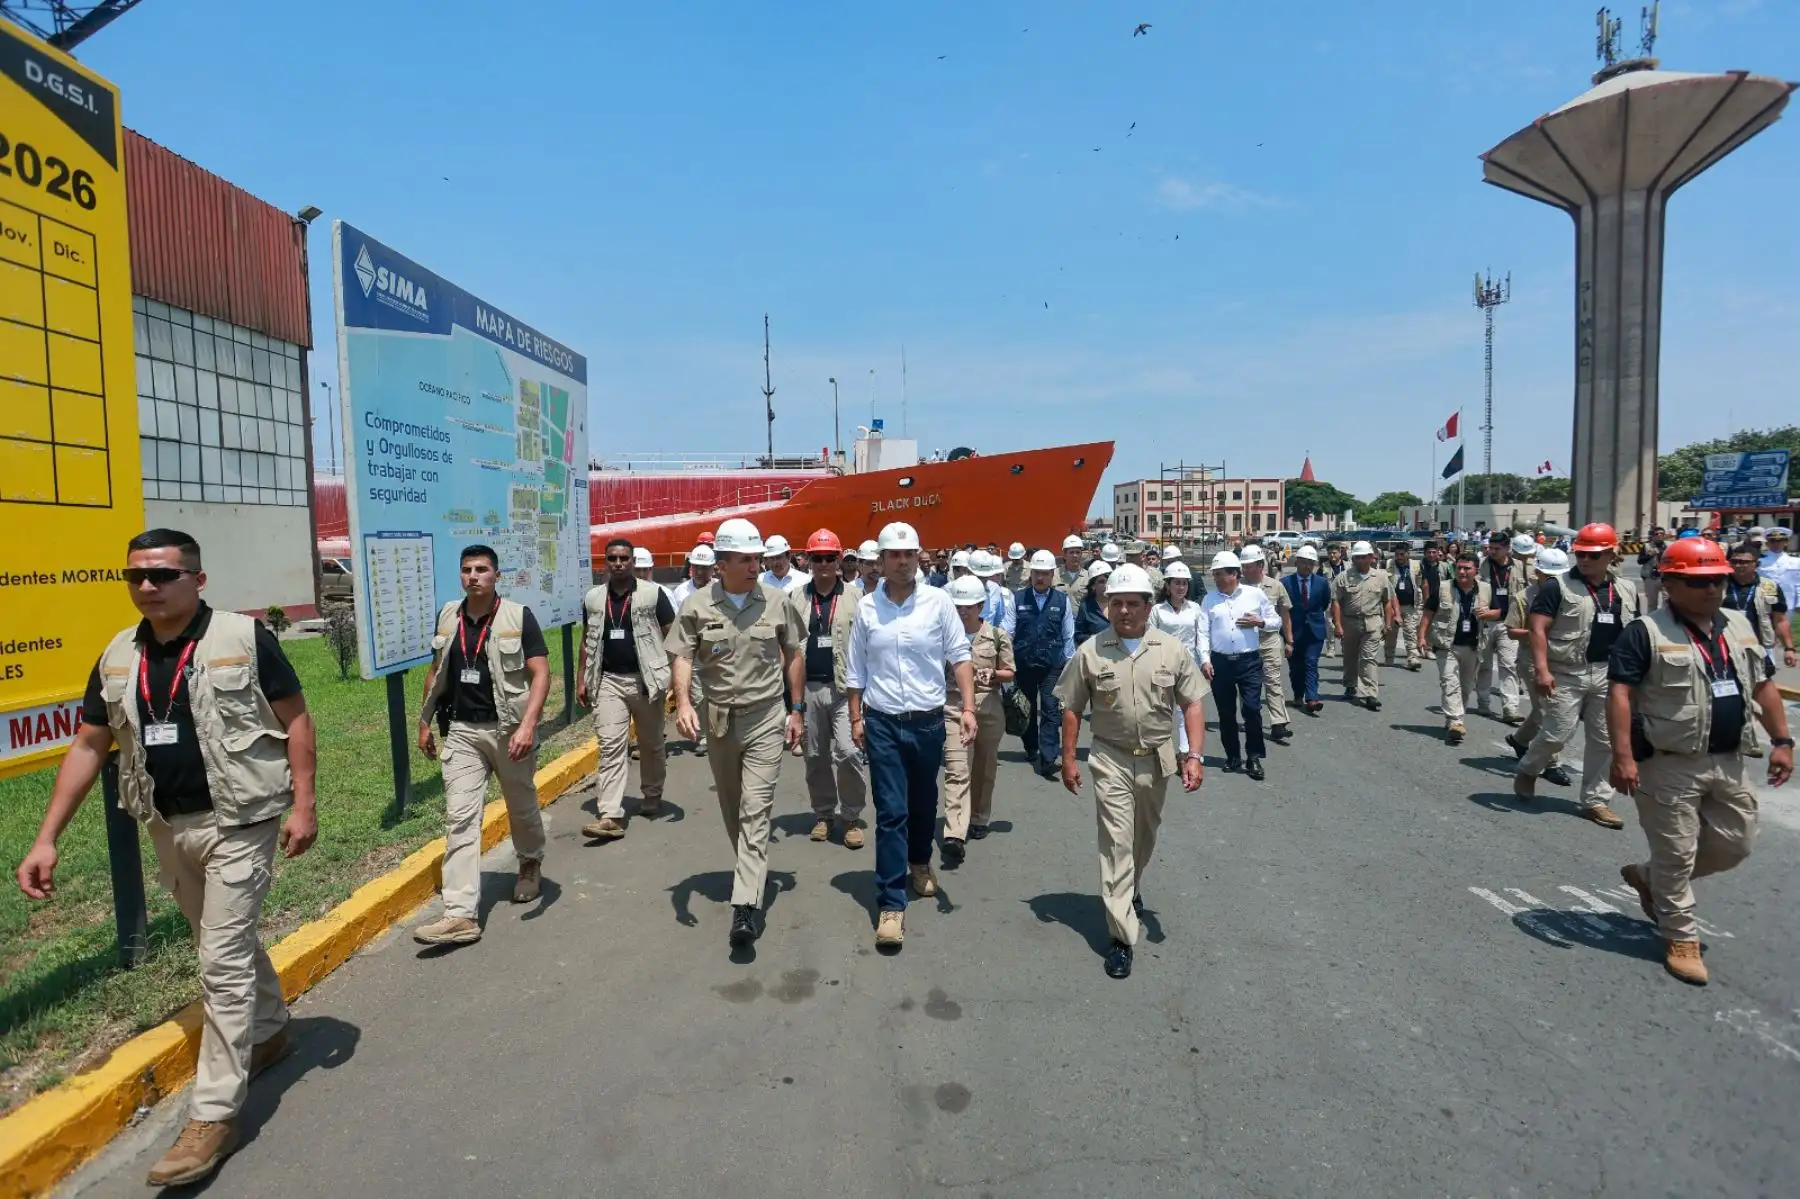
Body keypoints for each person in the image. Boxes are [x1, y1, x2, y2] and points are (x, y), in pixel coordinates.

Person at [15, 529, 317, 1188]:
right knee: (222, 938)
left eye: (163, 574)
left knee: (221, 955)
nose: (147, 586)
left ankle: (213, 1116)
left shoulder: (242, 637)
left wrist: (304, 803)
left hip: (244, 818)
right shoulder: (118, 654)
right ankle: (268, 1031)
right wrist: (47, 837)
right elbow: (90, 745)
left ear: (197, 579)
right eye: (136, 576)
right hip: (167, 823)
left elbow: (296, 719)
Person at [1608, 537, 1793, 985]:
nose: (1712, 590)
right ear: (1670, 583)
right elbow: (1620, 694)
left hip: (1728, 758)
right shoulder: (1645, 633)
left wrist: (1783, 740)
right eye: (1699, 582)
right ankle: (1680, 936)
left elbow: (1764, 686)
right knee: (1676, 851)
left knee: (1737, 841)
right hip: (1668, 763)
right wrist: (1623, 755)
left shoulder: (1738, 625)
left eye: (1717, 580)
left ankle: (1649, 877)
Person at [1056, 564, 1206, 979]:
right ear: (1106, 606)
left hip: (1158, 759)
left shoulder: (1171, 650)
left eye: (1131, 604)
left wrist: (1194, 755)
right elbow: (1070, 707)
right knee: (1117, 843)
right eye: (1115, 603)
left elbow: (1192, 702)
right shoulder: (1091, 651)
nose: (1123, 611)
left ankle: (1132, 890)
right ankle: (1122, 935)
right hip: (1110, 757)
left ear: (1147, 607)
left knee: (1144, 837)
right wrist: (1068, 758)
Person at [667, 518, 808, 949]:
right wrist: (685, 703)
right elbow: (683, 656)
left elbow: (793, 653)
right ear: (722, 564)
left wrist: (796, 709)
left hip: (766, 716)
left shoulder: (777, 601)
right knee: (732, 807)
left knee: (755, 806)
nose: (755, 566)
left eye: (757, 559)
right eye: (746, 560)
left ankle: (745, 904)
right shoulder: (696, 606)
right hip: (718, 719)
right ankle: (751, 865)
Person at [414, 545, 551, 948]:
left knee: (521, 807)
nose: (473, 576)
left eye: (482, 570)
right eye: (467, 570)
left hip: (509, 730)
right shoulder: (448, 615)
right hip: (462, 731)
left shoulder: (517, 616)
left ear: (496, 575)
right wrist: (424, 720)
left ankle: (529, 864)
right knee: (460, 819)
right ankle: (460, 914)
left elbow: (540, 673)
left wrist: (528, 726)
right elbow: (436, 669)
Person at [845, 522, 975, 950]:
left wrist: (969, 708)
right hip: (882, 721)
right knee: (890, 812)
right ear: (880, 561)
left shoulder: (938, 602)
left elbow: (959, 656)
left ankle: (920, 862)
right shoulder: (867, 609)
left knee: (923, 803)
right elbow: (856, 668)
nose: (902, 561)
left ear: (920, 556)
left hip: (929, 721)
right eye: (894, 555)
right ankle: (890, 903)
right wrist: (856, 717)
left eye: (909, 554)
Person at [1514, 522, 1639, 826]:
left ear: (1611, 554)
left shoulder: (1625, 589)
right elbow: (1538, 629)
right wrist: (1542, 670)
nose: (1584, 560)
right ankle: (1529, 768)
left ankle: (1595, 801)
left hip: (1607, 674)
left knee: (1604, 740)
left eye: (1593, 555)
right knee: (1557, 732)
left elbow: (1634, 633)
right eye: (1580, 553)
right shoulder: (1558, 587)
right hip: (1567, 672)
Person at [578, 538, 675, 840]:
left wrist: (667, 674)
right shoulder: (594, 598)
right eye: (612, 559)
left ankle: (652, 793)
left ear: (633, 561)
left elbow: (672, 633)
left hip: (645, 682)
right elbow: (586, 639)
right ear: (604, 563)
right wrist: (582, 677)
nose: (618, 563)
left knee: (650, 744)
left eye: (623, 558)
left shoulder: (652, 594)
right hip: (608, 681)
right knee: (610, 747)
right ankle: (610, 814)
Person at [791, 529, 868, 848]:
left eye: (829, 558)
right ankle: (823, 813)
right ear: (808, 560)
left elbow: (866, 646)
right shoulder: (796, 598)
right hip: (809, 689)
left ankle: (850, 816)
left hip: (844, 690)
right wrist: (792, 706)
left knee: (849, 753)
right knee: (815, 755)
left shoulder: (856, 598)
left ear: (838, 560)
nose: (823, 563)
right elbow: (789, 649)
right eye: (817, 558)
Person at [940, 575, 1015, 861]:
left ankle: (980, 817)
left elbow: (1010, 671)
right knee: (957, 768)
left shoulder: (996, 635)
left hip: (989, 707)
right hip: (955, 707)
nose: (962, 611)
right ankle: (955, 833)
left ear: (981, 605)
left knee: (984, 767)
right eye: (958, 606)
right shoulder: (944, 635)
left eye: (968, 606)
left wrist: (993, 674)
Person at [1199, 551, 1280, 777]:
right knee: (1226, 713)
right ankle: (1233, 757)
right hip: (1220, 663)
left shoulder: (1255, 595)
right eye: (1214, 575)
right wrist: (1204, 660)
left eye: (1219, 574)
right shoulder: (1210, 600)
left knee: (1252, 709)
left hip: (1249, 661)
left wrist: (1260, 621)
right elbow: (1203, 632)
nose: (1215, 579)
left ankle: (1254, 757)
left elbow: (1276, 621)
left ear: (1234, 574)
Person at [1504, 548, 1573, 785]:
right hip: (1532, 660)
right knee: (1548, 712)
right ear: (1538, 572)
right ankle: (1552, 764)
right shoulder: (1525, 597)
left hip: (1561, 659)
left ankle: (1520, 740)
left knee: (1540, 709)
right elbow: (1512, 631)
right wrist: (1539, 632)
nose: (1554, 580)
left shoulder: (1570, 594)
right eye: (1548, 575)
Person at [1420, 551, 1498, 744]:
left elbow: (1500, 612)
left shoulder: (1487, 589)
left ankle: (1453, 718)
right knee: (1449, 681)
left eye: (1466, 568)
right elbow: (1429, 612)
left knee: (1465, 686)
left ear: (1476, 570)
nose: (1462, 572)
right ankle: (1456, 719)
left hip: (1473, 645)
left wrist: (1488, 613)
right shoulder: (1444, 587)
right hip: (1447, 644)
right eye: (1459, 567)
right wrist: (1421, 636)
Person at [1012, 549, 1076, 777]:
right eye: (1037, 573)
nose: (1040, 578)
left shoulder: (1062, 600)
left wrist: (1070, 665)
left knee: (1050, 711)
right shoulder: (1017, 598)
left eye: (1045, 573)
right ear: (1031, 574)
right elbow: (1009, 631)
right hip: (1024, 664)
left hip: (1052, 666)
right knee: (1026, 710)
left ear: (1052, 575)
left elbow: (1068, 634)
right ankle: (1031, 746)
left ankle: (1048, 757)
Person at [1330, 541, 1397, 711]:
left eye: (1363, 557)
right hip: (1350, 622)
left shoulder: (1381, 577)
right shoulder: (1343, 577)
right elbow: (1336, 601)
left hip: (1372, 621)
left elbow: (1387, 601)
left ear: (1371, 558)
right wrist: (1337, 624)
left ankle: (1369, 693)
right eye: (1357, 558)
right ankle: (1350, 684)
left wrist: (1388, 623)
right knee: (1350, 657)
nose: (1360, 561)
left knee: (1368, 658)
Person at [1475, 533, 1531, 723]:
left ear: (1507, 549)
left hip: (1509, 623)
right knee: (1484, 665)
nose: (1491, 551)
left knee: (1509, 666)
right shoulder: (1483, 565)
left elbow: (1527, 596)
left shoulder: (1521, 567)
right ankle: (1483, 703)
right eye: (1490, 548)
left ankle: (1510, 708)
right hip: (1485, 623)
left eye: (1496, 548)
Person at [1240, 545, 1293, 744]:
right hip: (1246, 642)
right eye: (1243, 566)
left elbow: (1285, 614)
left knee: (1273, 681)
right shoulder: (1238, 587)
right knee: (1247, 686)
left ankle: (1278, 723)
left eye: (1249, 566)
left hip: (1269, 640)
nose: (1245, 570)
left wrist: (1289, 640)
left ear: (1260, 565)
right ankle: (1250, 717)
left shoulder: (1276, 586)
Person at [1151, 560, 1204, 755]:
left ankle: (1185, 752)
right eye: (1177, 583)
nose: (1181, 587)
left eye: (1185, 583)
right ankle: (1159, 751)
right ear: (1167, 585)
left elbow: (1201, 637)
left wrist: (1204, 661)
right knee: (1160, 710)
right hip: (1162, 665)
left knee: (1185, 710)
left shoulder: (1195, 609)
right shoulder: (1157, 611)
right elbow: (1150, 638)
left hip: (1189, 666)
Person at [1283, 545, 1331, 715]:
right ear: (1297, 563)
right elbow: (1283, 609)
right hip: (1293, 632)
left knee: (1311, 663)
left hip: (1314, 631)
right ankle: (1298, 694)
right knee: (1296, 667)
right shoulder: (1285, 583)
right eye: (1304, 563)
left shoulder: (1322, 583)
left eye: (1311, 563)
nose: (1307, 567)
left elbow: (1324, 603)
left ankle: (1312, 698)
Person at [1384, 541, 1424, 672]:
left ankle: (1412, 658)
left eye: (1402, 554)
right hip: (1393, 606)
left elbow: (1420, 584)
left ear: (1408, 554)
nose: (1399, 557)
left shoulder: (1416, 565)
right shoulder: (1389, 564)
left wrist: (1420, 603)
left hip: (1410, 605)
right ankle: (1389, 657)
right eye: (1397, 554)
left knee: (1410, 632)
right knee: (1391, 633)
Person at [971, 550, 1017, 638]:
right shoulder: (953, 590)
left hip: (988, 643)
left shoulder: (995, 589)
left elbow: (999, 618)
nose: (983, 580)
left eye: (986, 576)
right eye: (979, 577)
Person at [1075, 561, 1113, 646]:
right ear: (1093, 586)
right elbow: (1078, 635)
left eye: (1109, 580)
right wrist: (1096, 639)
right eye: (1101, 582)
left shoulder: (1121, 604)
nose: (1106, 585)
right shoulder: (1086, 607)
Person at [1638, 528, 1667, 611]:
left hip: (1665, 578)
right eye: (1656, 534)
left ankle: (1665, 620)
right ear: (1653, 536)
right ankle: (1651, 621)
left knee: (1668, 601)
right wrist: (1650, 555)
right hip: (1651, 578)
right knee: (1651, 603)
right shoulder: (1647, 546)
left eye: (1661, 533)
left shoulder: (1669, 546)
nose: (1659, 535)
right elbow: (1640, 561)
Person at [1058, 534, 1088, 598]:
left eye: (1077, 552)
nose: (1075, 555)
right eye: (1071, 552)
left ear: (1081, 555)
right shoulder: (1054, 575)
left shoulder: (1088, 576)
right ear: (1065, 555)